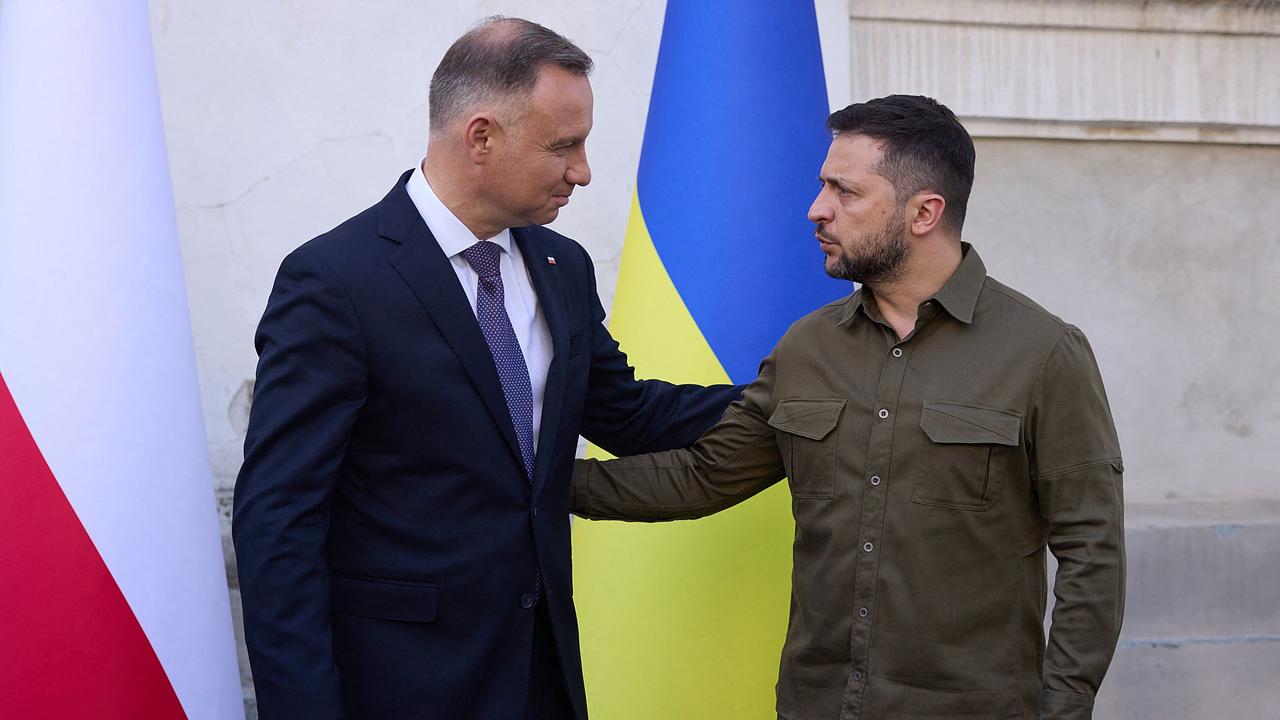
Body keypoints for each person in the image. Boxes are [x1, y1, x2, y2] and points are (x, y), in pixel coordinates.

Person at [232, 17, 739, 720]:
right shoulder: (336, 281)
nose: (583, 171)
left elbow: (629, 414)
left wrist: (799, 393)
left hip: (541, 679)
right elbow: (278, 523)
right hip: (400, 690)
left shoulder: (563, 268)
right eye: (564, 145)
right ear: (480, 137)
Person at [572, 95, 1125, 720]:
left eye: (845, 191)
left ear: (924, 213)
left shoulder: (1044, 353)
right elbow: (702, 476)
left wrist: (1066, 705)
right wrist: (537, 480)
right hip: (819, 704)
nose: (817, 210)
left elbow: (1091, 549)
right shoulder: (807, 346)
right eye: (821, 186)